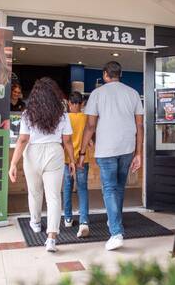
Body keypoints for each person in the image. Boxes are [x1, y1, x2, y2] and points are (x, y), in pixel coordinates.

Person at [78, 61, 143, 251]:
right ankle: (115, 221)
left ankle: (116, 232)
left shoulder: (97, 94)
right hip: (127, 147)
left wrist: (82, 152)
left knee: (109, 189)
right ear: (119, 74)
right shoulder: (132, 93)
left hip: (106, 149)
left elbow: (90, 126)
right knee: (119, 188)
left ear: (106, 74)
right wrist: (138, 153)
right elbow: (140, 126)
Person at [9, 77, 76, 253]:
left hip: (32, 153)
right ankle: (52, 237)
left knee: (35, 192)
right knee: (54, 196)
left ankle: (36, 223)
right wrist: (73, 161)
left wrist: (13, 163)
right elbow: (67, 141)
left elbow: (23, 139)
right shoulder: (62, 114)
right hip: (55, 152)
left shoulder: (27, 114)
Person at [63, 91, 91, 238]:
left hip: (67, 159)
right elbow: (90, 135)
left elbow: (63, 140)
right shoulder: (86, 118)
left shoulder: (64, 118)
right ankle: (84, 221)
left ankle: (68, 218)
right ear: (82, 104)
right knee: (82, 189)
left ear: (69, 103)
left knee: (67, 187)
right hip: (82, 159)